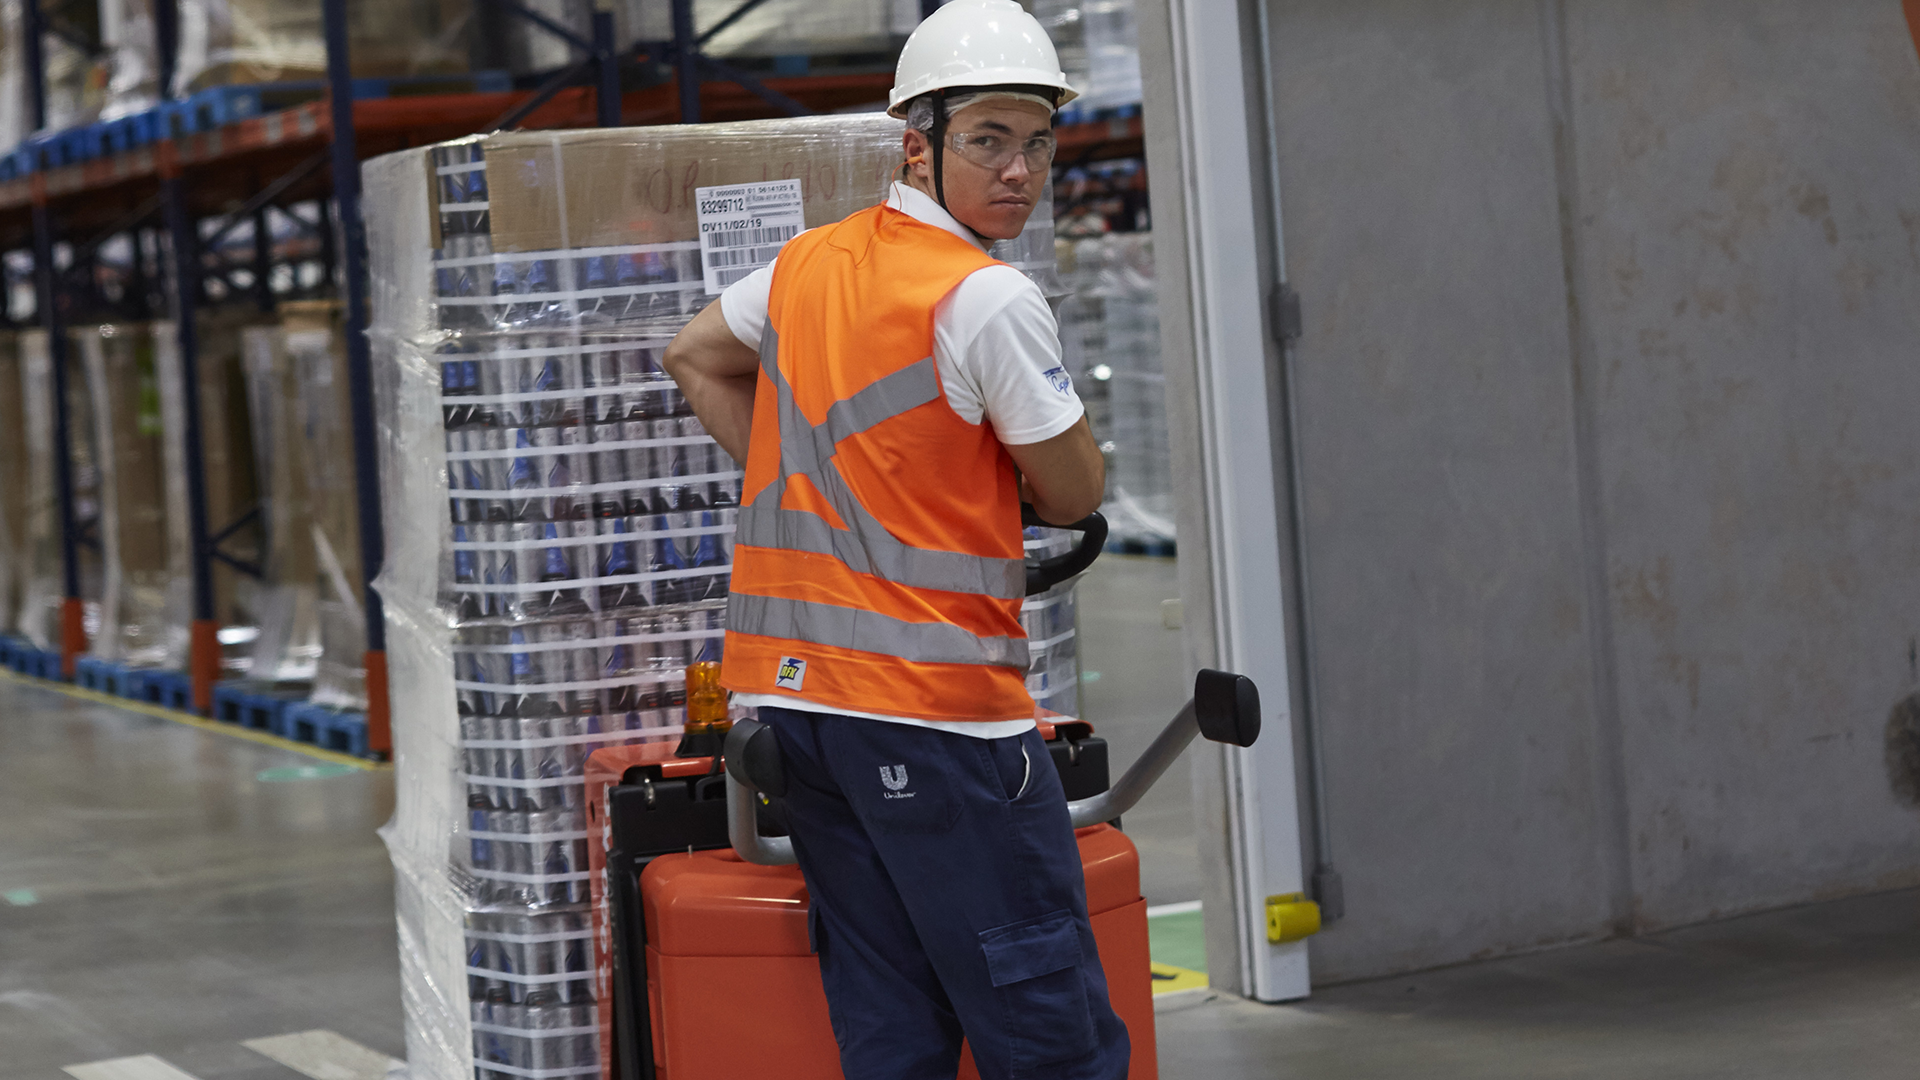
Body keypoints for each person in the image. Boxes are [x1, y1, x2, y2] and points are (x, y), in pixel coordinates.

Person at [661, 1, 1121, 1076]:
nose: (1021, 169)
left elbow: (693, 353)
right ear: (919, 145)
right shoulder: (984, 298)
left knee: (889, 1016)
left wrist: (800, 484)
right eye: (989, 140)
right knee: (1041, 1013)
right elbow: (1071, 488)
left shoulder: (807, 265)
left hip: (802, 710)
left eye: (1039, 141)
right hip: (938, 716)